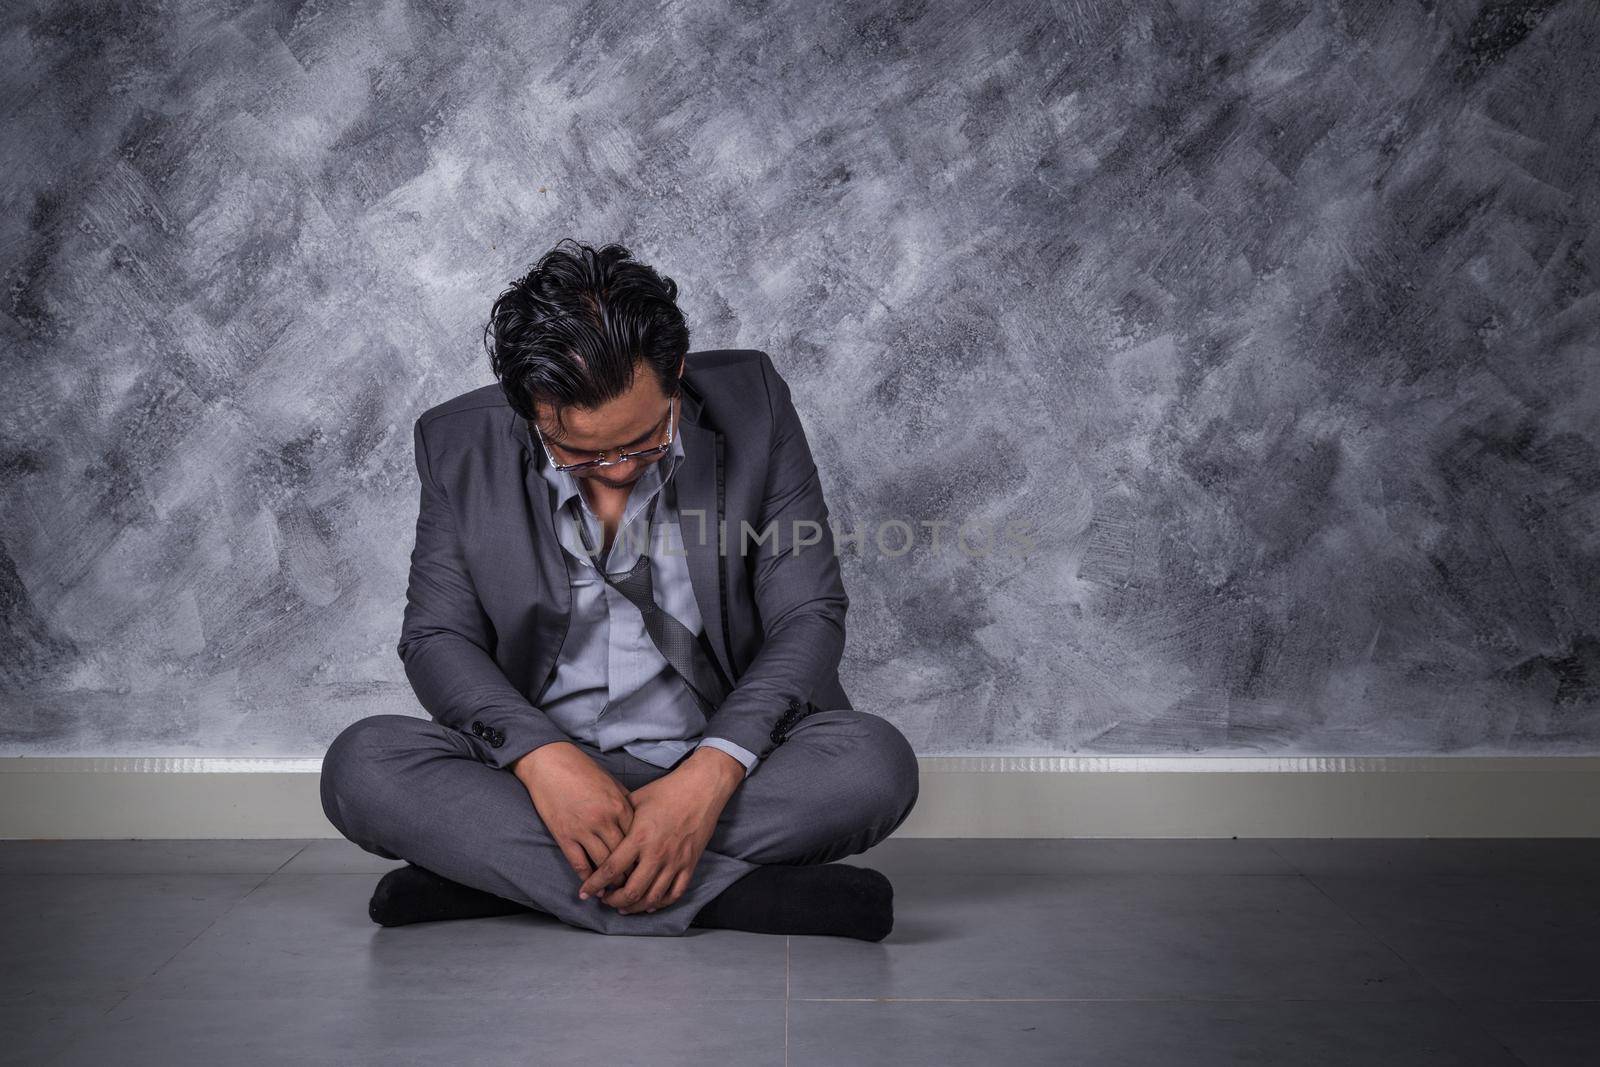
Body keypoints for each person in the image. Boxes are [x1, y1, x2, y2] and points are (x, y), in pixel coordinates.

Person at [319, 238, 919, 940]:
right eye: (578, 452)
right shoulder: (457, 445)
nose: (615, 473)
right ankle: (740, 896)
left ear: (677, 376)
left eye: (642, 443)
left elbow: (808, 614)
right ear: (528, 407)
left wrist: (709, 775)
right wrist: (543, 761)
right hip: (539, 782)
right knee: (361, 765)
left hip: (721, 764)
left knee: (875, 763)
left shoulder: (754, 402)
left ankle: (519, 878)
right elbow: (435, 636)